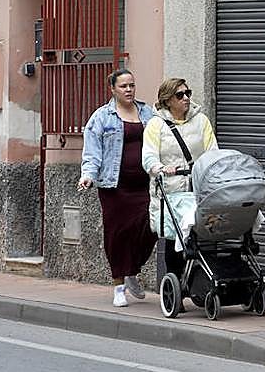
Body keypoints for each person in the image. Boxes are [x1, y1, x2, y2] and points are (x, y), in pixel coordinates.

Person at [78, 69, 159, 307]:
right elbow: (92, 152)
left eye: (132, 85)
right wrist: (88, 176)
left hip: (145, 184)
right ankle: (119, 286)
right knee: (117, 234)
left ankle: (133, 269)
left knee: (152, 227)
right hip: (115, 187)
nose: (129, 90)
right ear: (112, 89)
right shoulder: (102, 117)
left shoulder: (147, 113)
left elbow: (161, 141)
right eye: (123, 86)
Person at [142, 77, 219, 279]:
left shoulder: (201, 121)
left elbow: (212, 151)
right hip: (171, 189)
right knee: (174, 237)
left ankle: (202, 278)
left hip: (197, 188)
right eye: (180, 95)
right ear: (168, 100)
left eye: (188, 93)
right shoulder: (156, 125)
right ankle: (175, 279)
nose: (186, 98)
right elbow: (148, 156)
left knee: (203, 232)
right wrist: (160, 168)